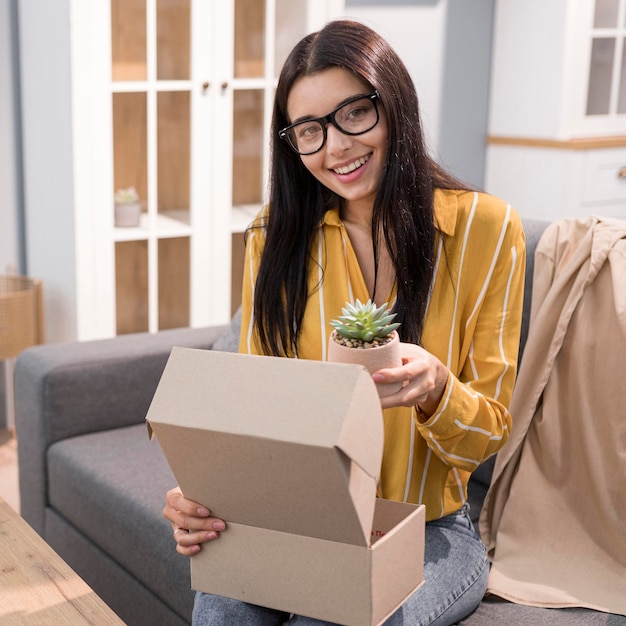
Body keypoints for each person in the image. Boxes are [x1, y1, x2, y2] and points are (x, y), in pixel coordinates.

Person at [163, 19, 526, 626]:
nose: (335, 148)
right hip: (298, 521)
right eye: (309, 130)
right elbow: (254, 410)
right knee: (222, 608)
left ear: (394, 105)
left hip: (430, 531)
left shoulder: (486, 231)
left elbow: (489, 436)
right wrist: (203, 496)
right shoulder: (272, 235)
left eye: (354, 114)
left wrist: (437, 390)